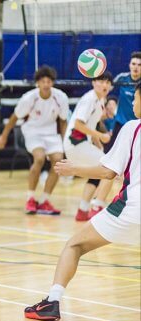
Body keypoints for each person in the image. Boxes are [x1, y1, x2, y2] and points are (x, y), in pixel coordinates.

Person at [24, 82, 141, 321]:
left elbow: (108, 172)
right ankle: (90, 205)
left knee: (74, 246)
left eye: (136, 99)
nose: (133, 104)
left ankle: (52, 301)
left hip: (130, 212)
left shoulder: (132, 128)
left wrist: (74, 168)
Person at [0, 66, 69, 215]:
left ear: (52, 83)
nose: (46, 84)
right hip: (33, 132)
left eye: (49, 81)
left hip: (51, 133)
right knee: (39, 158)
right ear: (38, 83)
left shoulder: (60, 97)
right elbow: (14, 117)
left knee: (58, 162)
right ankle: (30, 198)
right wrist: (4, 135)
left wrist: (66, 142)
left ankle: (44, 200)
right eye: (43, 81)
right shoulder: (29, 98)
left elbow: (63, 122)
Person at [89, 52, 141, 217]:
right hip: (121, 127)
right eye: (133, 64)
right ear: (129, 65)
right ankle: (96, 203)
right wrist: (106, 105)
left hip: (137, 128)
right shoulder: (121, 79)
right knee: (109, 164)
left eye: (139, 65)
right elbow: (107, 92)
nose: (136, 67)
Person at [63, 72, 113, 221]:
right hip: (76, 144)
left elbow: (91, 124)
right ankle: (97, 207)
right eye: (101, 81)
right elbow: (79, 124)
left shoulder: (100, 100)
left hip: (81, 144)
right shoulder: (89, 99)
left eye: (107, 83)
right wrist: (100, 136)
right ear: (93, 83)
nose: (104, 85)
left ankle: (83, 210)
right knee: (110, 168)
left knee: (97, 172)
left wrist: (98, 145)